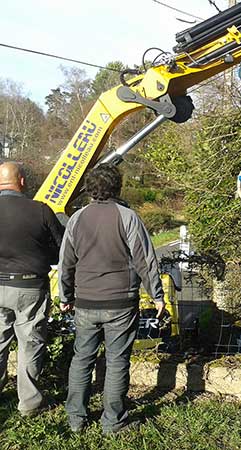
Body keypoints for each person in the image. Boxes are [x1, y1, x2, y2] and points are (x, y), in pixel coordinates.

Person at [58, 163, 165, 434]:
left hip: (85, 302)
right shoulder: (128, 217)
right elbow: (145, 260)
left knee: (82, 358)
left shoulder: (77, 219)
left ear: (90, 189)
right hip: (121, 303)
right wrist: (157, 295)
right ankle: (113, 422)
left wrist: (65, 295)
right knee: (117, 361)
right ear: (117, 187)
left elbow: (66, 262)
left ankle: (75, 420)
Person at [0, 161, 64, 415]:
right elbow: (61, 249)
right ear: (22, 181)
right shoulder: (40, 210)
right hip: (29, 286)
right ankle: (29, 403)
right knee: (30, 343)